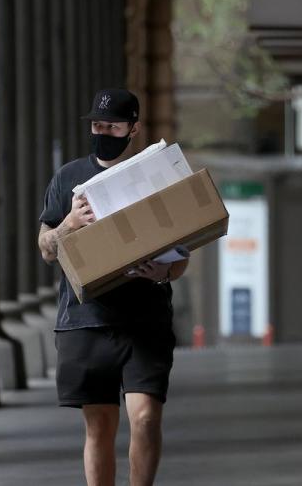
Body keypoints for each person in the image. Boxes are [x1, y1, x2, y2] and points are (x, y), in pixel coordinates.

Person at [37, 88, 189, 486]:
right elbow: (46, 249)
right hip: (87, 318)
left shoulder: (158, 177)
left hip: (146, 319)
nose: (102, 131)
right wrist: (69, 224)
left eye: (112, 125)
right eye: (97, 124)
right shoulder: (68, 178)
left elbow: (182, 256)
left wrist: (161, 271)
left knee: (145, 417)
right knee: (100, 427)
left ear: (133, 128)